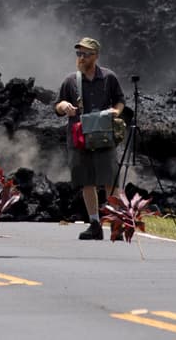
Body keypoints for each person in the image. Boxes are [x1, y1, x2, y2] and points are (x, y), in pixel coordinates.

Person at [54, 36, 125, 240]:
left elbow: (120, 100)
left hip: (104, 136)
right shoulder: (70, 81)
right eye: (79, 53)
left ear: (96, 56)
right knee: (87, 181)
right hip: (80, 137)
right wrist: (64, 107)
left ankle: (116, 223)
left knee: (110, 180)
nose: (81, 57)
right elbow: (57, 105)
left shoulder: (109, 78)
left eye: (85, 54)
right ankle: (94, 223)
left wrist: (115, 112)